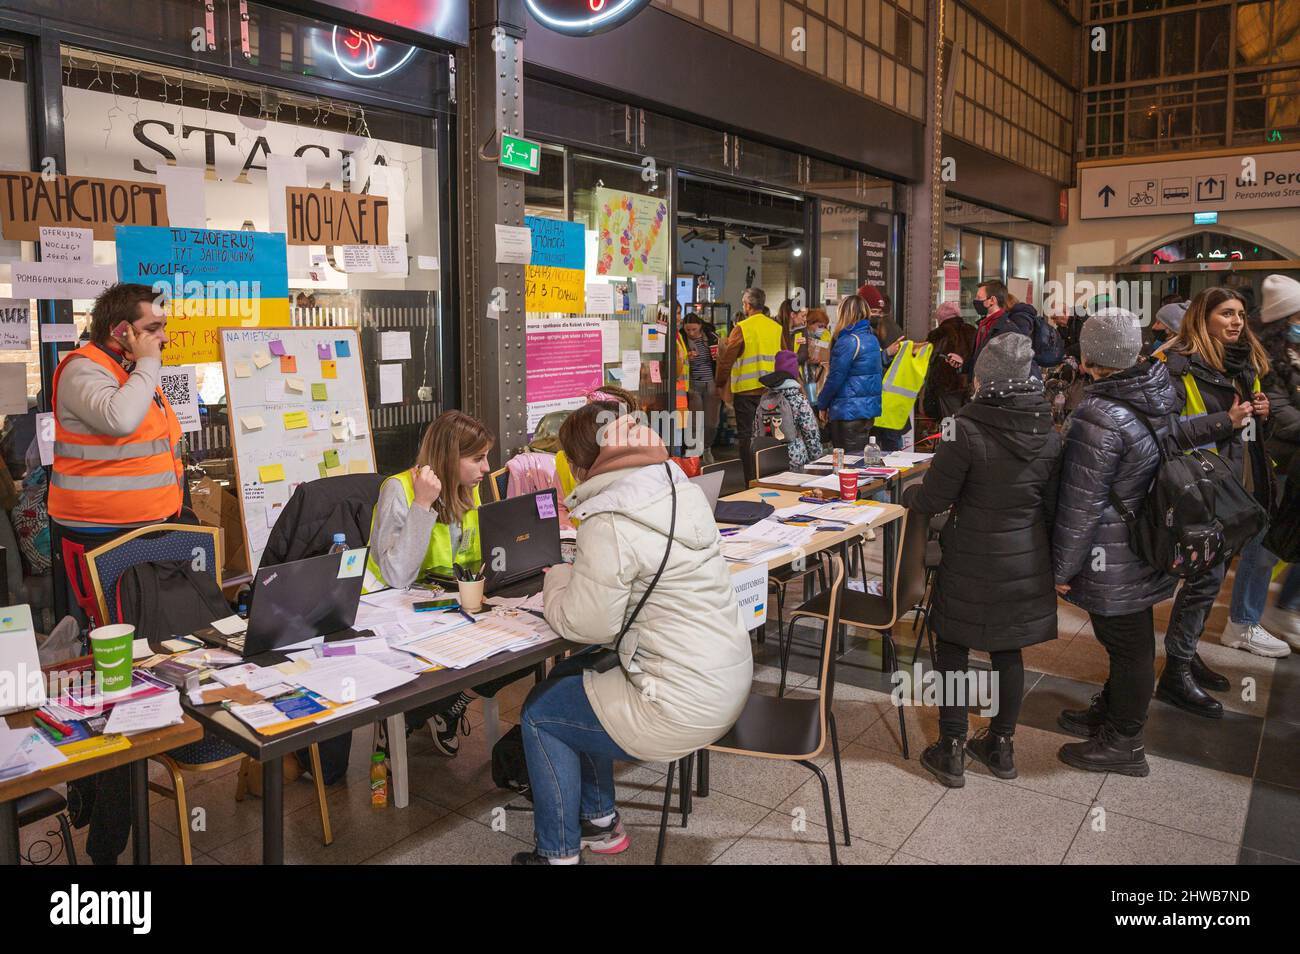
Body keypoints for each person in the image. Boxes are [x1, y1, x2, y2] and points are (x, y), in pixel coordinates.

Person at [513, 403, 752, 864]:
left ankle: (557, 855)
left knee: (542, 714)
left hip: (680, 704)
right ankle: (599, 823)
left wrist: (555, 579)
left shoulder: (610, 519)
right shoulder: (678, 487)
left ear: (584, 463)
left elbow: (587, 625)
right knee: (575, 680)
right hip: (725, 679)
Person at [906, 334, 1061, 788]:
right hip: (1025, 559)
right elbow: (1051, 509)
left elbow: (934, 499)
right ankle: (1001, 745)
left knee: (953, 644)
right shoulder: (1049, 434)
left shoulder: (963, 428)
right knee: (1007, 649)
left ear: (983, 380)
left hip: (971, 556)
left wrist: (909, 494)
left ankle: (951, 748)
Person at [1052, 309, 1182, 776]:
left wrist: (1061, 570)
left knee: (1127, 643)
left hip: (1115, 547)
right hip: (1144, 536)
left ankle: (1124, 741)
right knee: (1129, 638)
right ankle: (1111, 714)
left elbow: (1081, 503)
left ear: (1089, 358)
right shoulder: (1156, 391)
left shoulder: (1098, 413)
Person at [1158, 287, 1283, 718]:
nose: (1237, 322)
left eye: (1241, 315)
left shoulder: (1242, 363)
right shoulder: (1178, 364)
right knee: (1204, 581)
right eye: (1227, 313)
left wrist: (1258, 412)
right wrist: (1223, 421)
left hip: (1232, 484)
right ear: (1202, 317)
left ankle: (1185, 655)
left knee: (1207, 580)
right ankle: (1175, 671)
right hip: (1197, 487)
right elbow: (1165, 432)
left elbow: (1241, 427)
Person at [363, 410, 500, 755]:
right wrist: (422, 504)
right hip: (397, 611)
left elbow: (475, 554)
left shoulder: (469, 488)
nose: (486, 468)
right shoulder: (399, 489)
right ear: (450, 459)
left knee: (512, 653)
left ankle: (447, 706)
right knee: (450, 664)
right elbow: (397, 576)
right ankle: (408, 717)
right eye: (478, 459)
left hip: (449, 605)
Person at [1225, 275, 1300, 651]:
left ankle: (1280, 609)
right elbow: (1283, 417)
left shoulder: (1292, 353)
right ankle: (1243, 620)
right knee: (1263, 543)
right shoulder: (1263, 360)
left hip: (1290, 461)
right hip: (1274, 462)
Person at [716, 287, 784, 484]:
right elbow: (787, 357)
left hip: (747, 393)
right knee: (771, 435)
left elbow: (727, 358)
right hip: (772, 391)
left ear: (747, 305)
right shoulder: (776, 328)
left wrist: (720, 382)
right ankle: (771, 477)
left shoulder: (742, 328)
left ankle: (751, 480)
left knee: (747, 437)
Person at [814, 294, 882, 454]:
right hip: (867, 412)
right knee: (860, 461)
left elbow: (835, 378)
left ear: (844, 313)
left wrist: (822, 404)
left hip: (848, 411)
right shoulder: (871, 339)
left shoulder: (848, 341)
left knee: (848, 464)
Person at [751, 349, 824, 468]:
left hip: (769, 459)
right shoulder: (799, 400)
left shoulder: (765, 399)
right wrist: (817, 460)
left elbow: (756, 432)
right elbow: (810, 434)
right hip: (795, 460)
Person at [963, 279, 1039, 376]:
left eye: (979, 297)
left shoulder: (1008, 330)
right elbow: (978, 358)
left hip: (992, 387)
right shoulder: (983, 325)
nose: (975, 301)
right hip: (980, 386)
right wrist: (963, 363)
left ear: (992, 300)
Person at [924, 301, 977, 420]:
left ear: (940, 318)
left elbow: (930, 364)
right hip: (968, 389)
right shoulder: (972, 331)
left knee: (948, 427)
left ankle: (948, 438)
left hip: (945, 391)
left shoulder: (938, 335)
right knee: (964, 425)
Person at [681, 314, 721, 462]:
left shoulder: (711, 337)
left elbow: (720, 358)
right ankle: (693, 451)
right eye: (688, 330)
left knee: (711, 422)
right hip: (692, 384)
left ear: (700, 326)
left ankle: (707, 447)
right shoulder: (682, 339)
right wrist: (687, 358)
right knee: (694, 420)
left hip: (711, 383)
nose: (691, 333)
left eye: (694, 329)